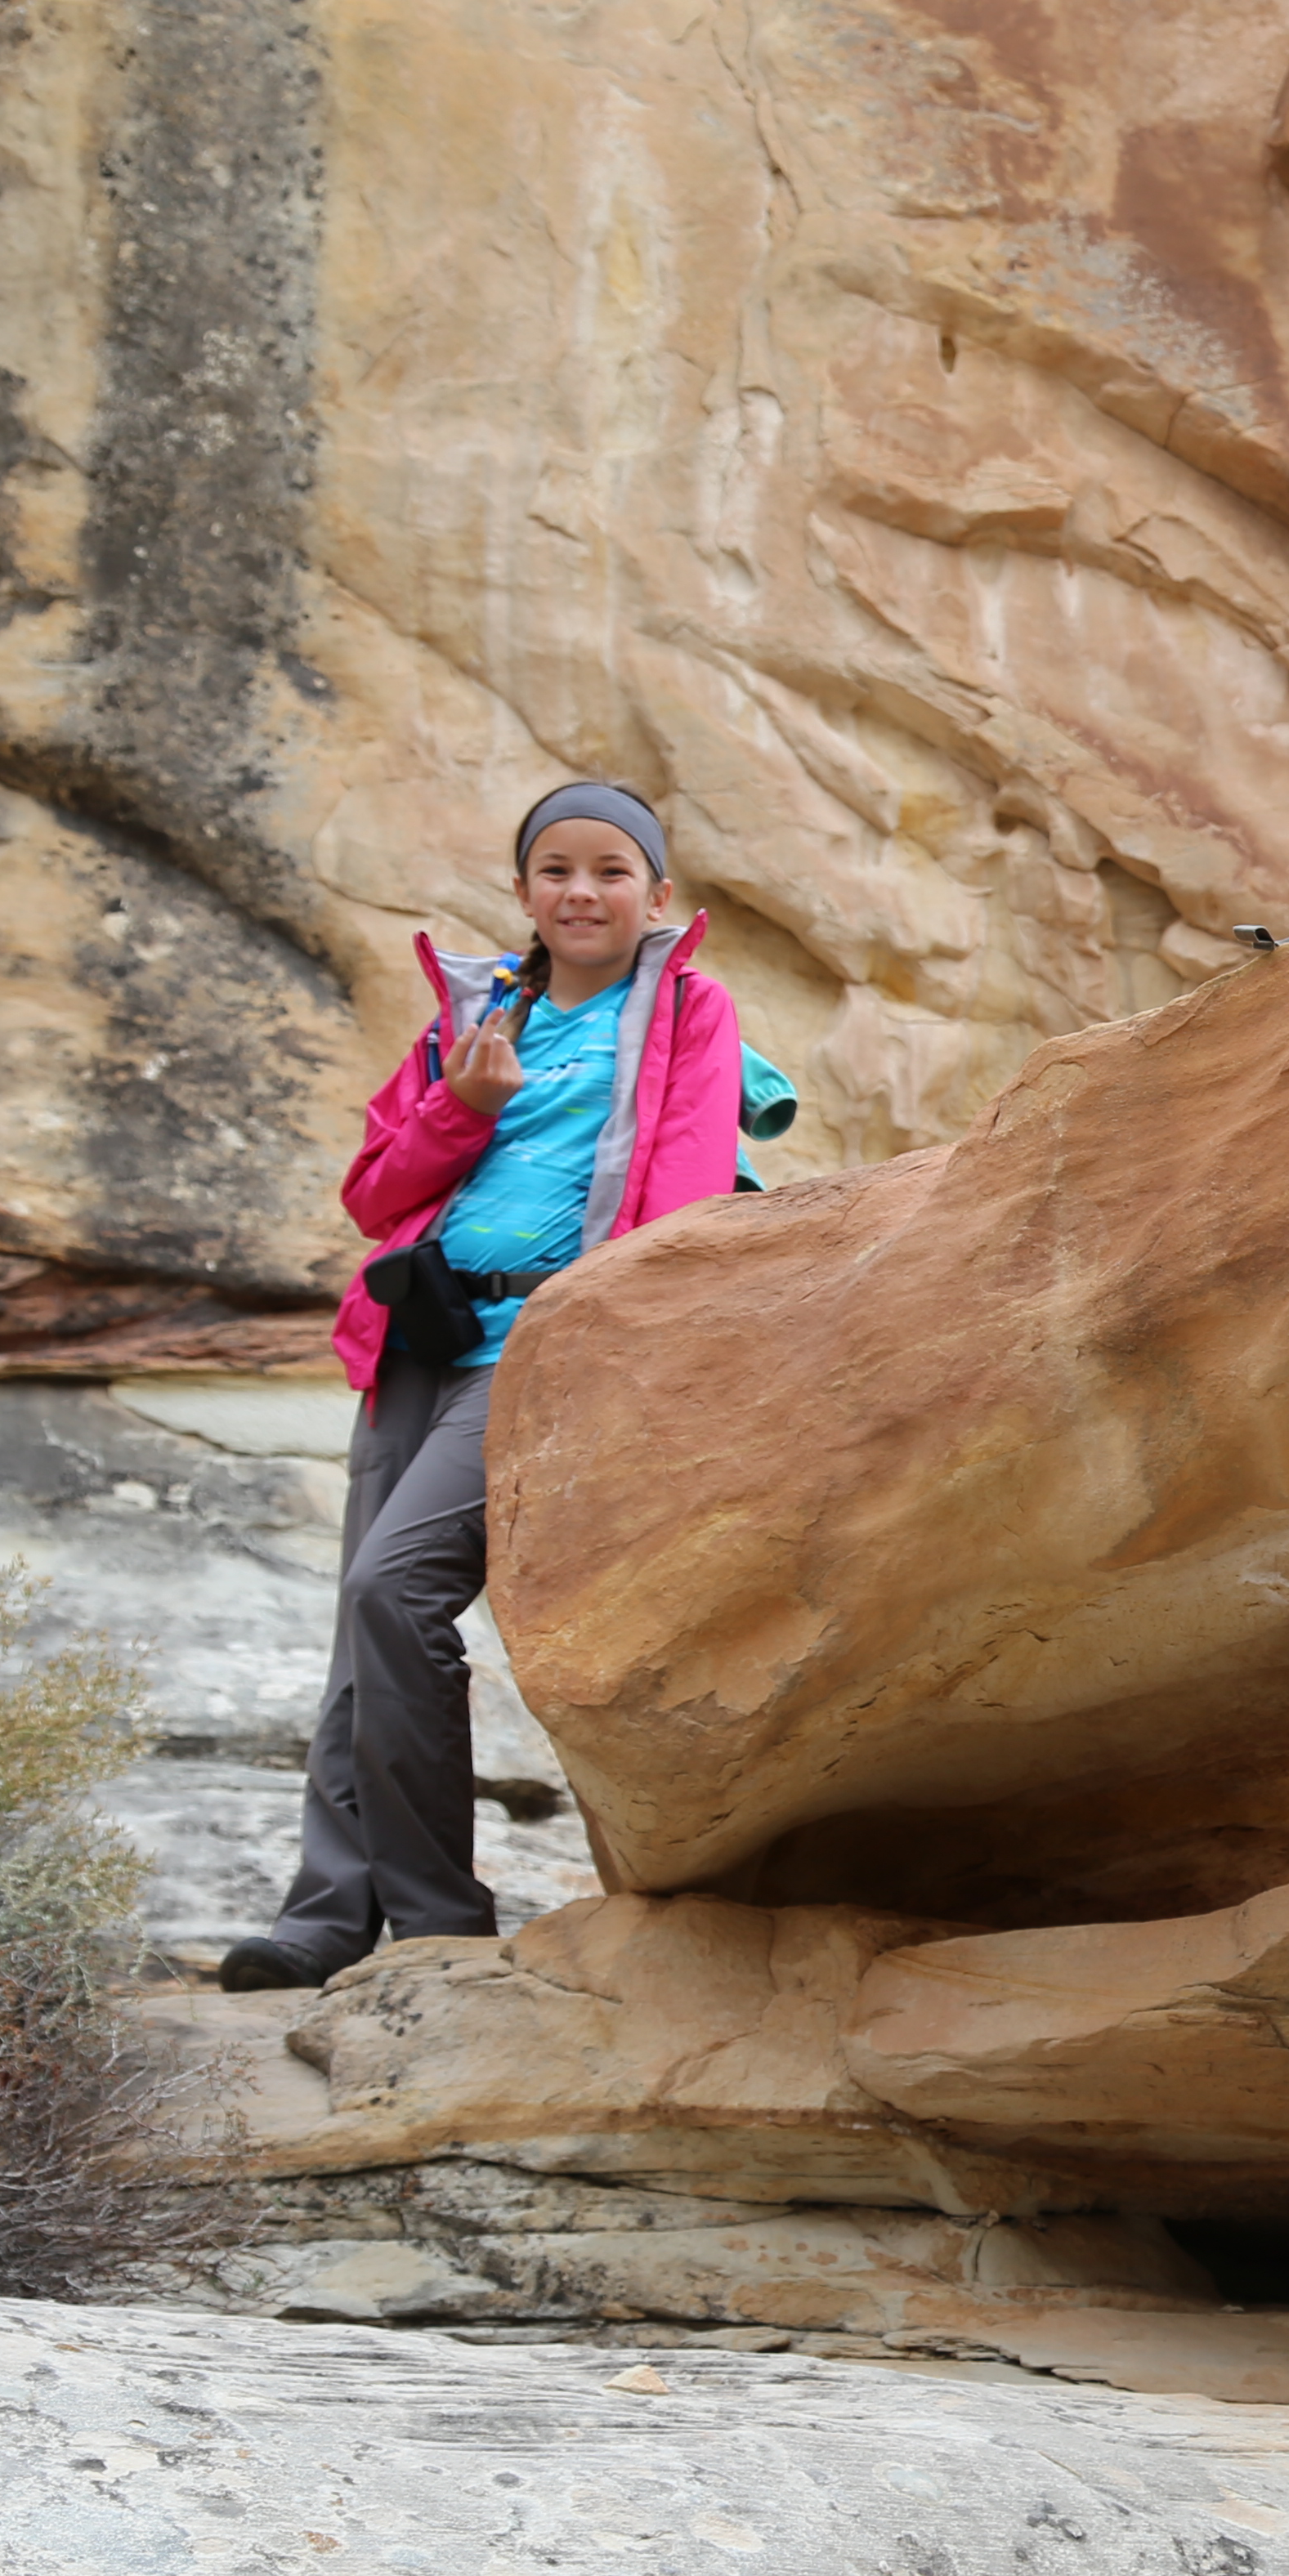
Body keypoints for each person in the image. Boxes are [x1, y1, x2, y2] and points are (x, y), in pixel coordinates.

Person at [219, 781, 777, 1993]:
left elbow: (682, 1192)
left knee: (392, 1587)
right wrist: (461, 1109)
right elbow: (375, 1195)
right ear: (524, 891)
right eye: (557, 871)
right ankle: (329, 1910)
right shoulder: (477, 1018)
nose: (583, 892)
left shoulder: (687, 1011)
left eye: (612, 870)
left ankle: (432, 1918)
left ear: (659, 895)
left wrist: (616, 1333)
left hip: (546, 1342)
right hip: (421, 1339)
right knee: (362, 1631)